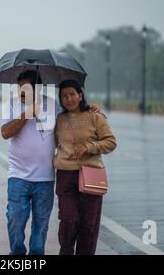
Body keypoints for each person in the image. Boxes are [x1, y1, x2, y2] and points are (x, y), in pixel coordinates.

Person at [0, 71, 99, 255]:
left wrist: (88, 108)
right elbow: (5, 132)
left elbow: (73, 115)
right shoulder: (12, 104)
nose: (21, 92)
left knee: (41, 226)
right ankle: (17, 255)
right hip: (18, 176)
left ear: (37, 89)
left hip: (45, 178)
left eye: (25, 88)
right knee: (15, 219)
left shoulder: (52, 105)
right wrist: (26, 114)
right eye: (19, 88)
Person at [53, 79, 117, 255]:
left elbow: (111, 142)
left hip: (91, 175)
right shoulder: (58, 119)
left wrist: (89, 147)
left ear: (80, 95)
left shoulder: (95, 116)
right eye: (64, 96)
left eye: (72, 94)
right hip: (66, 176)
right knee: (68, 220)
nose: (69, 99)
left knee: (89, 226)